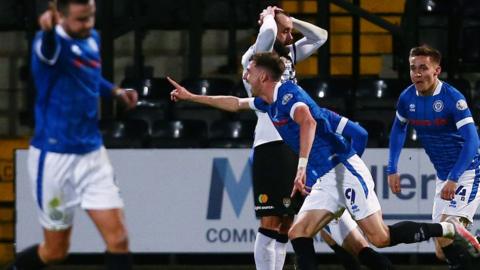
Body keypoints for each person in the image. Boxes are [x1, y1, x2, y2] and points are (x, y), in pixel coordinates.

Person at [168, 51, 480, 270]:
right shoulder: (268, 101)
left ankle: (448, 230)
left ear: (262, 75)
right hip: (326, 179)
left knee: (380, 238)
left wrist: (301, 167)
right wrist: (192, 96)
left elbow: (308, 122)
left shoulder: (289, 96)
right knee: (297, 233)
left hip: (344, 172)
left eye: (248, 71)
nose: (244, 75)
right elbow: (235, 103)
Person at [243, 6, 391, 270]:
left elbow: (320, 36)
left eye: (291, 32)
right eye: (285, 32)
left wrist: (290, 20)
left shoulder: (286, 58)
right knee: (275, 222)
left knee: (306, 223)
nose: (290, 37)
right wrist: (268, 18)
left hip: (301, 142)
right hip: (272, 145)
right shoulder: (255, 58)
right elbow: (266, 35)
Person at [6, 1, 138, 269]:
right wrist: (49, 31)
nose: (88, 24)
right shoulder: (49, 44)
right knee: (55, 252)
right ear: (60, 16)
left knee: (119, 239)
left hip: (92, 155)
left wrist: (115, 92)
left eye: (91, 17)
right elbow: (48, 50)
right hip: (55, 159)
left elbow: (88, 74)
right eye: (80, 19)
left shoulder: (92, 37)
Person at [388, 45, 480, 269]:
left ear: (437, 70)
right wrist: (392, 169)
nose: (417, 74)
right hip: (443, 175)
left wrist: (455, 177)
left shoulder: (452, 98)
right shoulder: (406, 98)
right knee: (441, 250)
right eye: (413, 68)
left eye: (423, 68)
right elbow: (398, 129)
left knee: (448, 232)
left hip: (467, 172)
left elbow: (473, 141)